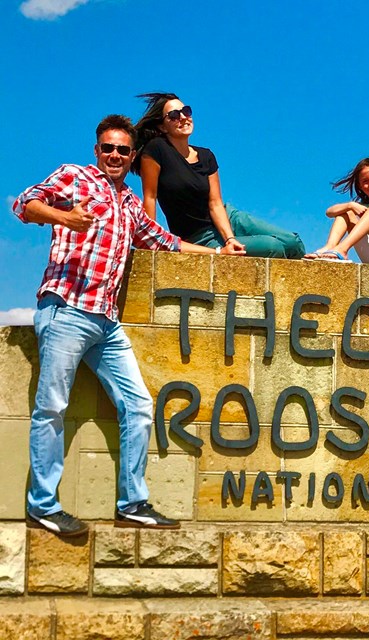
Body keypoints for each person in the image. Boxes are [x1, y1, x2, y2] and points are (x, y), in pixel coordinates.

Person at [12, 115, 233, 537]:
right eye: (107, 148)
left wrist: (220, 255)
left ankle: (131, 502)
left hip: (106, 323)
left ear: (132, 157)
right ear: (97, 151)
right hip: (67, 310)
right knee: (52, 408)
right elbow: (24, 205)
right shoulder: (74, 178)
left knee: (138, 405)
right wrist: (64, 219)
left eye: (122, 150)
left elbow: (164, 241)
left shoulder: (130, 202)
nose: (114, 155)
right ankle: (43, 504)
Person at [133, 93, 305, 259]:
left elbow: (215, 203)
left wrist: (230, 239)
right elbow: (150, 196)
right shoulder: (156, 149)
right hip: (199, 236)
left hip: (228, 218)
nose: (183, 117)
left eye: (186, 111)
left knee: (293, 242)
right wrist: (150, 241)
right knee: (272, 247)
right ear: (162, 126)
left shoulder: (206, 156)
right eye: (174, 115)